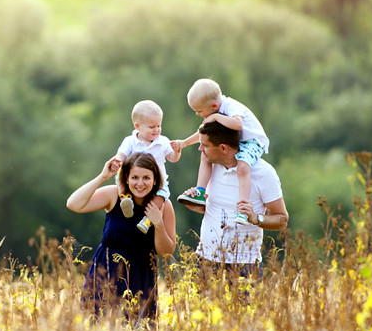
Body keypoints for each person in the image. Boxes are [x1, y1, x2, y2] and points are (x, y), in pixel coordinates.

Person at [66, 152, 176, 319]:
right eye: (135, 177)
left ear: (155, 180)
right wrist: (103, 177)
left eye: (146, 178)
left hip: (141, 275)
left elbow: (167, 253)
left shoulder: (163, 205)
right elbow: (74, 204)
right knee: (96, 325)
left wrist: (158, 223)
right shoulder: (114, 195)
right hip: (106, 270)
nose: (140, 183)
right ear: (126, 177)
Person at [179, 120, 288, 276]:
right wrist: (195, 203)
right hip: (205, 261)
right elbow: (214, 209)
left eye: (205, 145)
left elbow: (282, 219)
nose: (200, 148)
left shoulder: (264, 173)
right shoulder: (210, 167)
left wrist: (255, 218)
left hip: (245, 266)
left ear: (223, 148)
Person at [171, 78, 269, 225]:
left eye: (199, 111)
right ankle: (200, 191)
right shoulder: (216, 110)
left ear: (214, 106)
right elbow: (204, 134)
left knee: (242, 167)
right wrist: (184, 143)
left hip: (252, 142)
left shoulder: (230, 107)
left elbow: (237, 124)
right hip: (235, 141)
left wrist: (216, 117)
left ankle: (242, 208)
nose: (198, 114)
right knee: (205, 155)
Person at [114, 100, 182, 234]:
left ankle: (147, 220)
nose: (156, 130)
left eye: (159, 125)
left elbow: (172, 159)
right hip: (133, 178)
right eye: (152, 127)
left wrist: (177, 151)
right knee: (120, 179)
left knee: (160, 197)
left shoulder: (162, 142)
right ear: (137, 126)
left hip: (157, 181)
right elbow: (120, 155)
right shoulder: (130, 141)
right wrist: (117, 161)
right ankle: (126, 200)